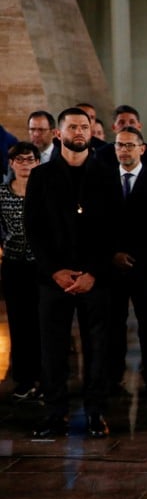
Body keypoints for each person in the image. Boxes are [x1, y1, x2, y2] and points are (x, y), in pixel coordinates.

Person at [24, 107, 122, 438]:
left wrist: (92, 272)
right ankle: (55, 412)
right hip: (54, 279)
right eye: (72, 127)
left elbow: (113, 229)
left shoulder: (107, 173)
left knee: (98, 347)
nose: (79, 132)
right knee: (53, 347)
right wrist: (55, 271)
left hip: (96, 278)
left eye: (84, 126)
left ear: (92, 131)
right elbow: (33, 229)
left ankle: (96, 412)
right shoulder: (41, 176)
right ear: (58, 134)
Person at [106, 126, 147, 401]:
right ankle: (114, 375)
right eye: (120, 145)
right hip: (112, 264)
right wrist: (113, 253)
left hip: (145, 263)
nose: (124, 150)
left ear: (142, 149)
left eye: (130, 145)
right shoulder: (104, 178)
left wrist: (135, 253)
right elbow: (98, 221)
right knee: (114, 322)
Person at [1, 142, 42, 400]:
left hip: (42, 265)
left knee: (41, 322)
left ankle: (44, 377)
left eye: (30, 159)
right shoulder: (2, 193)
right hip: (14, 264)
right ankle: (24, 378)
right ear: (11, 163)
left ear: (38, 163)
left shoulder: (45, 191)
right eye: (20, 160)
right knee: (18, 321)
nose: (25, 164)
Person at [95, 105, 147, 173]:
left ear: (139, 126)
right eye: (121, 122)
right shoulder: (102, 154)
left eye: (132, 122)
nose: (127, 125)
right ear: (114, 128)